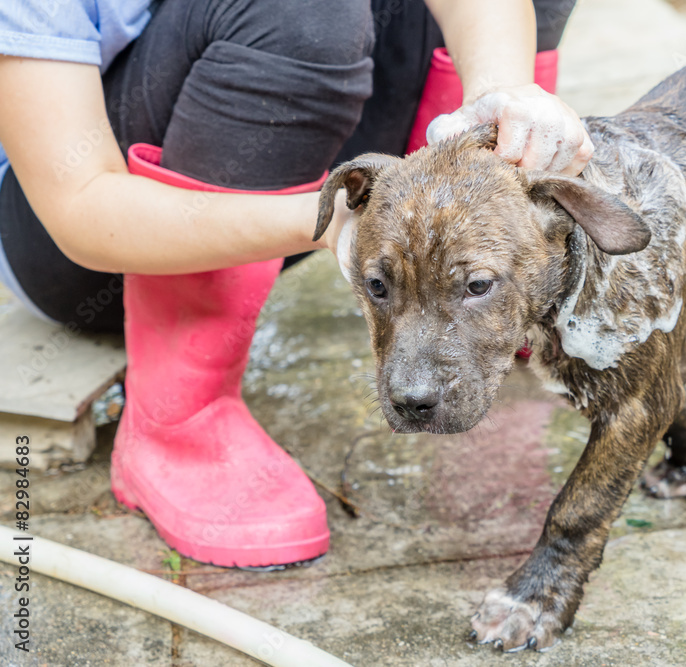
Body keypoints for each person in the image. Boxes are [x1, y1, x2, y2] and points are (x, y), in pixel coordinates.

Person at [0, 0, 592, 567]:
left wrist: (503, 105)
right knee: (301, 8)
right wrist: (333, 224)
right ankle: (179, 422)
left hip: (294, 174)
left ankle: (486, 293)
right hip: (99, 250)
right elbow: (79, 209)